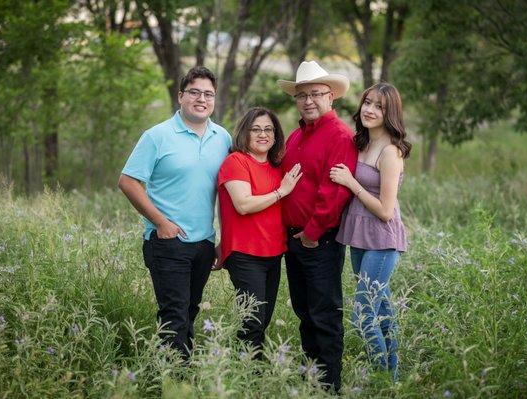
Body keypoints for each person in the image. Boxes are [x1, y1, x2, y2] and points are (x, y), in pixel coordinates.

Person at [118, 66, 231, 360]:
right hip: (168, 242)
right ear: (181, 96)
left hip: (204, 243)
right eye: (194, 92)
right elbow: (128, 181)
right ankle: (174, 383)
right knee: (174, 316)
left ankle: (179, 378)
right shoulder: (157, 136)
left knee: (189, 312)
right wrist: (160, 223)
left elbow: (229, 193)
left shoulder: (223, 138)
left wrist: (225, 239)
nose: (201, 99)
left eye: (208, 94)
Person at [277, 61, 358, 392]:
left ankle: (329, 386)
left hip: (318, 240)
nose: (308, 101)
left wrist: (311, 235)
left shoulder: (340, 136)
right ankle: (311, 377)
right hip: (292, 240)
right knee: (303, 311)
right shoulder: (295, 136)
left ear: (331, 97)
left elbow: (334, 192)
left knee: (324, 314)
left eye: (316, 94)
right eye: (302, 95)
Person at [330, 82, 411, 378]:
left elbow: (386, 210)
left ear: (390, 114)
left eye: (379, 106)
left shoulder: (390, 152)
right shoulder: (361, 143)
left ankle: (379, 377)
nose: (370, 110)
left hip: (382, 240)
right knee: (383, 310)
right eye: (367, 103)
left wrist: (352, 184)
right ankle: (393, 379)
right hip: (359, 237)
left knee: (363, 313)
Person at [217, 107, 302, 356]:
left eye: (268, 129)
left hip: (273, 252)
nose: (262, 134)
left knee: (261, 320)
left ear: (275, 135)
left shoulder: (277, 167)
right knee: (252, 321)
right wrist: (281, 192)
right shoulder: (236, 162)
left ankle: (250, 373)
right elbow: (243, 205)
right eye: (256, 129)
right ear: (245, 132)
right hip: (245, 252)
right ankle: (246, 379)